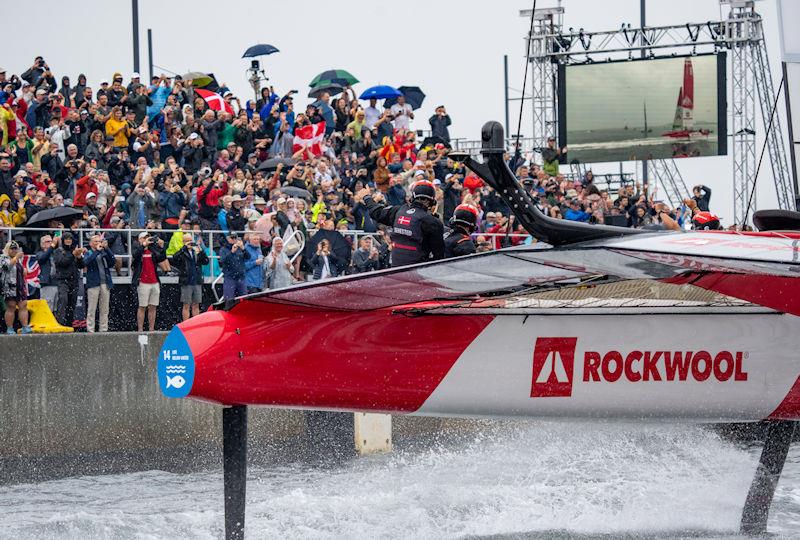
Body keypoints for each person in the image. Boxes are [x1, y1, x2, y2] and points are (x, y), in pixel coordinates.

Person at [356, 180, 445, 267]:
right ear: (432, 201)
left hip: (397, 272)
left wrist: (367, 197)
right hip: (418, 274)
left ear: (413, 197)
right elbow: (439, 256)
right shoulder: (433, 222)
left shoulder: (398, 211)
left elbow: (376, 212)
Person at [131, 231, 166, 332]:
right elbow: (135, 255)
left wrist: (162, 247)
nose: (147, 239)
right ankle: (140, 329)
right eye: (144, 237)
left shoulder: (153, 249)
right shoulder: (137, 248)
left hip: (154, 281)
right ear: (140, 239)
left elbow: (161, 258)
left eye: (148, 237)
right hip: (142, 282)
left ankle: (151, 328)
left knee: (153, 306)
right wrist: (143, 245)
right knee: (142, 306)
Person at [171, 233, 209, 321]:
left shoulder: (196, 251)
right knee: (186, 305)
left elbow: (206, 261)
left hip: (197, 281)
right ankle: (186, 324)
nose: (190, 242)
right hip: (186, 282)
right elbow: (175, 258)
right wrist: (184, 248)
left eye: (190, 240)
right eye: (187, 241)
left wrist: (201, 251)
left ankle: (195, 324)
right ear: (183, 242)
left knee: (196, 305)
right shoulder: (182, 252)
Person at [83, 234, 115, 333]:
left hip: (105, 283)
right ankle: (90, 329)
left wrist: (107, 248)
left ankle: (103, 329)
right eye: (95, 241)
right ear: (91, 243)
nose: (98, 243)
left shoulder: (103, 252)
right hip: (93, 283)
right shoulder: (88, 253)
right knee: (92, 308)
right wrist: (97, 251)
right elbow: (86, 262)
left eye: (99, 241)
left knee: (104, 309)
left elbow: (112, 261)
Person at [53, 232, 84, 328]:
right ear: (63, 240)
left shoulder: (75, 250)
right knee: (63, 300)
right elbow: (61, 262)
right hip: (63, 280)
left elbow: (82, 266)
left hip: (74, 281)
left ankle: (69, 325)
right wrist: (73, 255)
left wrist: (79, 258)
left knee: (72, 304)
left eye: (70, 239)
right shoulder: (59, 251)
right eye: (66, 238)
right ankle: (60, 323)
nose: (68, 240)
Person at [1, 241, 32, 334]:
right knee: (11, 307)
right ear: (7, 249)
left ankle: (25, 327)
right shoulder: (3, 258)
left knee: (23, 305)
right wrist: (16, 258)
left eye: (16, 248)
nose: (14, 250)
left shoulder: (18, 260)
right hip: (9, 286)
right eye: (12, 248)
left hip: (20, 286)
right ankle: (10, 328)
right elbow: (7, 267)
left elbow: (19, 270)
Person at [218, 232, 250, 302]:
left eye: (235, 237)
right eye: (232, 238)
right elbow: (222, 261)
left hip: (241, 277)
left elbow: (248, 257)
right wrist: (232, 252)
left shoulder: (240, 248)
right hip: (230, 278)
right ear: (227, 238)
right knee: (229, 300)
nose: (234, 239)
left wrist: (243, 248)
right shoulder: (223, 249)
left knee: (244, 300)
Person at [35, 234, 59, 312]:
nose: (50, 243)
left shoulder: (55, 253)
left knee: (57, 307)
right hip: (47, 283)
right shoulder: (40, 253)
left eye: (51, 241)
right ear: (42, 244)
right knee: (47, 307)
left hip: (57, 282)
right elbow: (42, 258)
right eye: (48, 241)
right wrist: (52, 246)